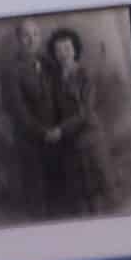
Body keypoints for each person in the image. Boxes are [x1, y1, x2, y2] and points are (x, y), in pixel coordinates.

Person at [0, 16, 63, 218]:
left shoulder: (49, 63)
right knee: (38, 196)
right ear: (18, 40)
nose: (32, 40)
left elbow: (59, 97)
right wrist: (43, 133)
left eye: (35, 34)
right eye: (26, 36)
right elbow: (17, 110)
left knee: (59, 192)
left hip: (55, 135)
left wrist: (60, 128)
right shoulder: (10, 70)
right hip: (30, 139)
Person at [46, 24, 112, 215]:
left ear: (75, 49)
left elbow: (85, 111)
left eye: (67, 48)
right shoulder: (54, 78)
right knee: (78, 195)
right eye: (58, 50)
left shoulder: (85, 74)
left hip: (90, 137)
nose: (63, 53)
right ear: (54, 54)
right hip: (69, 142)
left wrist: (60, 130)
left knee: (95, 193)